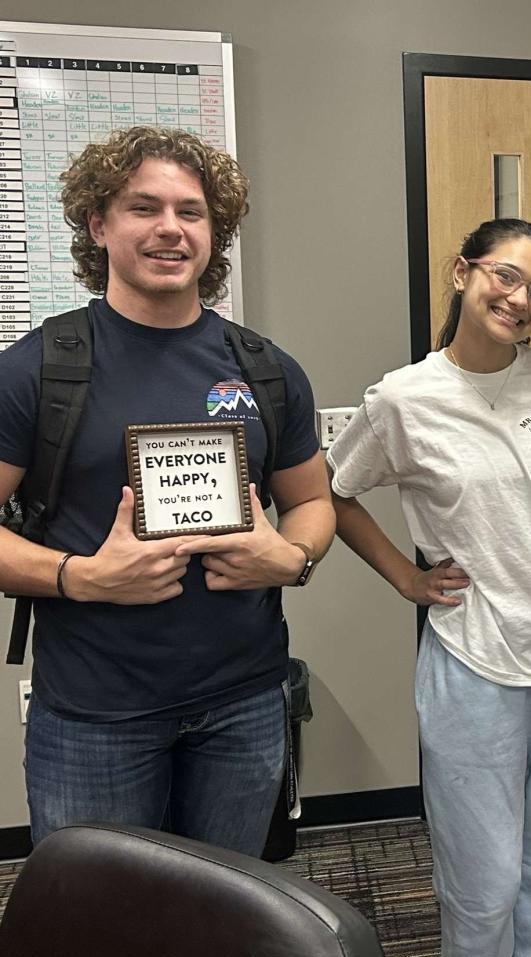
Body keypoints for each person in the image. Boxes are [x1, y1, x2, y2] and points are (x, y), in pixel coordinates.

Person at [0, 126, 334, 854]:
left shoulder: (266, 368)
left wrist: (292, 558)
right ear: (98, 225)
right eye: (143, 208)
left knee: (225, 904)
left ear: (215, 231)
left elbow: (312, 502)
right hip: (94, 715)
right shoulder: (37, 370)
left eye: (191, 212)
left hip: (245, 702)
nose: (170, 229)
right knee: (99, 911)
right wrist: (80, 576)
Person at [326, 218, 531, 957]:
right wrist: (406, 577)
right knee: (483, 879)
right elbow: (333, 491)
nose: (519, 299)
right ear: (463, 273)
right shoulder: (403, 399)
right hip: (474, 656)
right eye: (505, 276)